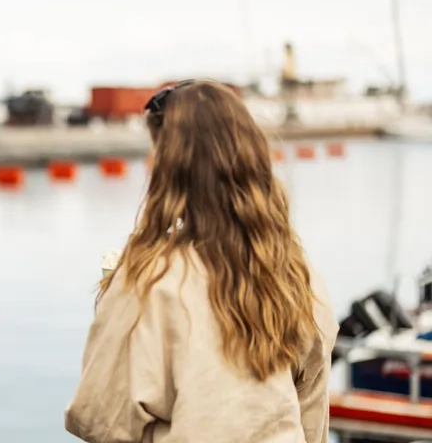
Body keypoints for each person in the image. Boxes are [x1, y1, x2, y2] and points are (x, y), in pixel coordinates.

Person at [64, 80, 338, 442]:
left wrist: (114, 300)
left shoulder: (150, 279)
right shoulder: (297, 276)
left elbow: (99, 418)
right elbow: (312, 414)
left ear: (170, 171)